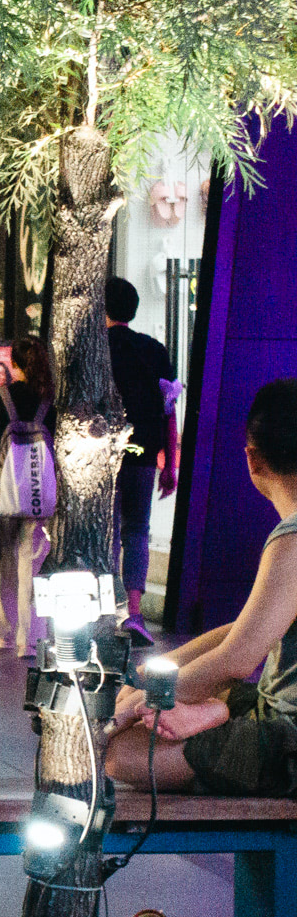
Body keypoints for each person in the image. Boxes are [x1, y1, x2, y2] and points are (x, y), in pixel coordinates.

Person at [109, 379, 297, 798]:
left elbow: (237, 658)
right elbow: (241, 632)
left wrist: (123, 716)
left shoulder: (292, 541)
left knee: (122, 753)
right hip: (274, 714)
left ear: (253, 459)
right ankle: (215, 713)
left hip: (289, 743)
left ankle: (216, 714)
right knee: (138, 692)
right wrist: (145, 684)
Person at [106, 278, 179, 644]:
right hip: (144, 454)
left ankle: (106, 609)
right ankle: (134, 613)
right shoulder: (154, 350)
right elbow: (169, 409)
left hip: (100, 456)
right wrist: (172, 462)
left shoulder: (95, 349)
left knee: (108, 532)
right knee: (137, 532)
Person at [0, 337, 57, 658]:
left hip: (4, 487)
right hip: (39, 488)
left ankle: (4, 635)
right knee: (31, 564)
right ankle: (30, 640)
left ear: (15, 364)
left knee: (2, 562)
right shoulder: (50, 402)